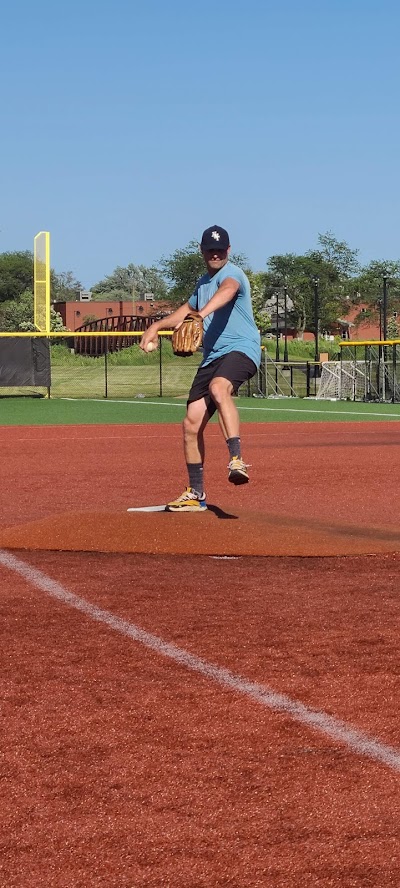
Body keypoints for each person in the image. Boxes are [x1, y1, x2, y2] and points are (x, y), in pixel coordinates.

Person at [140, 225, 261, 512]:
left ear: (228, 250)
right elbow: (186, 311)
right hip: (212, 357)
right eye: (210, 250)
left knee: (219, 387)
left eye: (220, 250)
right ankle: (196, 493)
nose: (215, 254)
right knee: (191, 423)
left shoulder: (233, 275)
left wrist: (201, 315)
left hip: (241, 349)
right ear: (202, 251)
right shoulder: (202, 283)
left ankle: (236, 459)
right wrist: (156, 326)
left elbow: (228, 291)